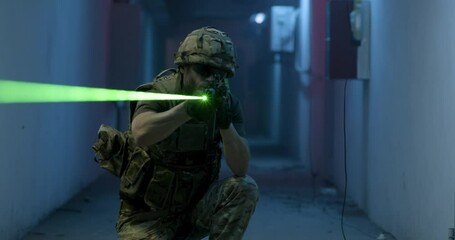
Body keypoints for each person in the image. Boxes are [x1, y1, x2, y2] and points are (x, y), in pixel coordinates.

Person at [115, 26, 259, 239]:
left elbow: (240, 167)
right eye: (204, 71)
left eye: (220, 74)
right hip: (147, 217)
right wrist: (187, 110)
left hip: (194, 212)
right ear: (183, 67)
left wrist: (225, 125)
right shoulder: (161, 92)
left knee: (245, 188)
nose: (212, 80)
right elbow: (141, 133)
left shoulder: (227, 103)